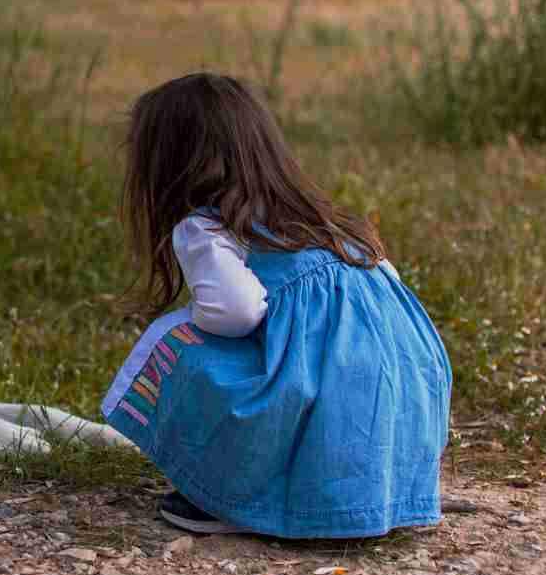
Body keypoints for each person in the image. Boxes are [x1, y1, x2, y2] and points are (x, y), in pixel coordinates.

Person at [101, 72, 451, 538]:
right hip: (404, 395)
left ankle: (232, 497)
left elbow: (237, 312)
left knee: (176, 341)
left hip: (324, 397)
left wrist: (199, 320)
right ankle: (378, 491)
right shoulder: (326, 221)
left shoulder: (206, 228)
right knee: (325, 366)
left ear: (168, 164)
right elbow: (389, 296)